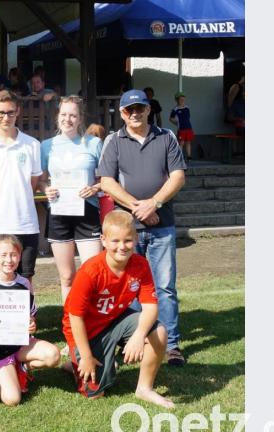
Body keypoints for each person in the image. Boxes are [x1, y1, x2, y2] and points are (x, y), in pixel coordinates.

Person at [99, 89, 187, 367]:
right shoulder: (113, 140)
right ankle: (136, 341)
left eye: (139, 108)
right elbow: (106, 182)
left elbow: (178, 177)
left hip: (162, 225)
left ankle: (171, 345)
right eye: (128, 110)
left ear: (149, 109)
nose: (134, 114)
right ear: (122, 113)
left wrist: (155, 203)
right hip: (127, 231)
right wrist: (140, 207)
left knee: (164, 287)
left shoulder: (166, 137)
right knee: (128, 287)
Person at [62, 210, 174, 408]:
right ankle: (77, 362)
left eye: (128, 240)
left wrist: (139, 335)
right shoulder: (90, 271)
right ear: (103, 240)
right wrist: (86, 356)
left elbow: (150, 306)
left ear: (136, 238)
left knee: (159, 331)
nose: (122, 247)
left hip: (115, 320)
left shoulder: (140, 264)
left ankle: (144, 389)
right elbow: (75, 317)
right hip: (85, 332)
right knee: (96, 394)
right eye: (115, 241)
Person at [0, 235, 60, 406]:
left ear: (19, 256)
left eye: (14, 254)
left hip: (20, 344)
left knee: (53, 355)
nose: (9, 260)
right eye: (3, 255)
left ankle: (23, 368)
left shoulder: (24, 283)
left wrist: (32, 322)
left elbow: (31, 312)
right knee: (12, 399)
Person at [0, 90, 48, 283]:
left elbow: (32, 184)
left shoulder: (32, 144)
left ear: (18, 112)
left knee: (25, 278)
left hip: (25, 224)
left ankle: (28, 315)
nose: (5, 117)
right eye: (1, 113)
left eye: (10, 112)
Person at [40, 95, 103, 304]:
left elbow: (106, 180)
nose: (68, 119)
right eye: (64, 114)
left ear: (80, 118)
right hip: (59, 213)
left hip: (87, 211)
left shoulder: (94, 143)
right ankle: (70, 326)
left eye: (73, 115)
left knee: (91, 274)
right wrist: (46, 189)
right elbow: (40, 180)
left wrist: (94, 187)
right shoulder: (46, 146)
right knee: (67, 277)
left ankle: (93, 327)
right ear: (58, 116)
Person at [169, 92, 194, 161]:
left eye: (183, 99)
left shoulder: (187, 108)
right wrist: (177, 123)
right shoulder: (175, 109)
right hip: (181, 129)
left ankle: (189, 156)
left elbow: (188, 117)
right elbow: (171, 118)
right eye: (181, 99)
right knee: (181, 142)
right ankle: (180, 156)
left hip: (189, 127)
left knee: (188, 142)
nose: (182, 101)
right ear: (177, 100)